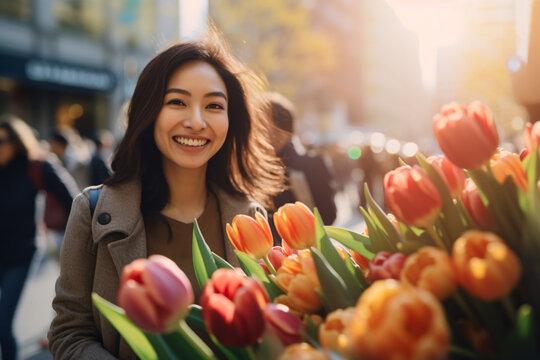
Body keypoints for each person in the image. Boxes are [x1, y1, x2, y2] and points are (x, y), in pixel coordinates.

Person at [48, 28, 285, 360]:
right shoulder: (93, 211)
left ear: (231, 119)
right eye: (177, 102)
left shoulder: (250, 218)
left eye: (214, 106)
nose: (196, 122)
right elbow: (69, 334)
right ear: (149, 111)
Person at [0, 115, 77, 360]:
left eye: (2, 140)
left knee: (3, 326)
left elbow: (76, 203)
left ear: (17, 141)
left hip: (20, 256)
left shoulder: (37, 166)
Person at [266, 92, 337, 240]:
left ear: (281, 131)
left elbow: (327, 215)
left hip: (303, 253)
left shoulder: (309, 164)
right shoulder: (254, 167)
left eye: (262, 125)